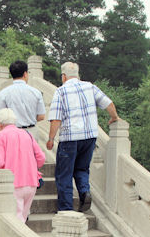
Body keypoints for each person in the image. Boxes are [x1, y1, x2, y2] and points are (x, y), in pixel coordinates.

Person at [46, 62, 120, 212]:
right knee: (82, 169)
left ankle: (66, 208)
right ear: (78, 75)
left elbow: (56, 119)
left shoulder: (61, 91)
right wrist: (114, 117)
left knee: (64, 174)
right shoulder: (90, 87)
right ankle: (84, 192)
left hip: (70, 139)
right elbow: (109, 104)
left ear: (64, 76)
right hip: (90, 137)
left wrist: (51, 138)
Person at [0, 60, 46, 138]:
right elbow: (41, 116)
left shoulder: (4, 93)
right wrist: (28, 117)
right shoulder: (36, 92)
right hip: (31, 132)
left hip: (11, 133)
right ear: (25, 74)